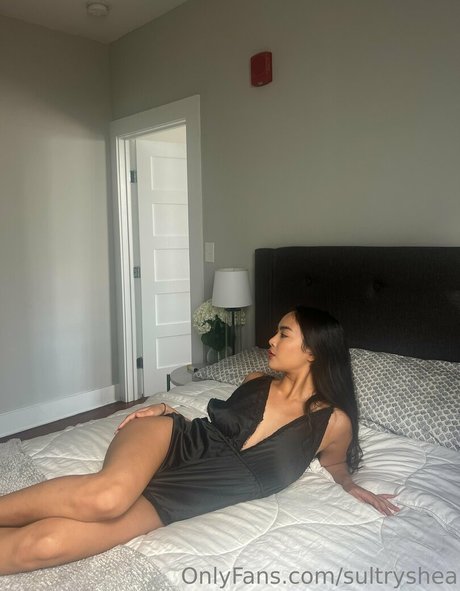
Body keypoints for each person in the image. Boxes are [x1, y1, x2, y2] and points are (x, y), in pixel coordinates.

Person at [0, 306, 400, 574]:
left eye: (283, 334)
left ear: (313, 350)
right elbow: (217, 430)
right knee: (105, 498)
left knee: (45, 544)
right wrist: (167, 410)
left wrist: (350, 485)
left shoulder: (333, 423)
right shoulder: (254, 380)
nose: (271, 341)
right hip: (168, 440)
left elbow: (334, 463)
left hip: (181, 498)